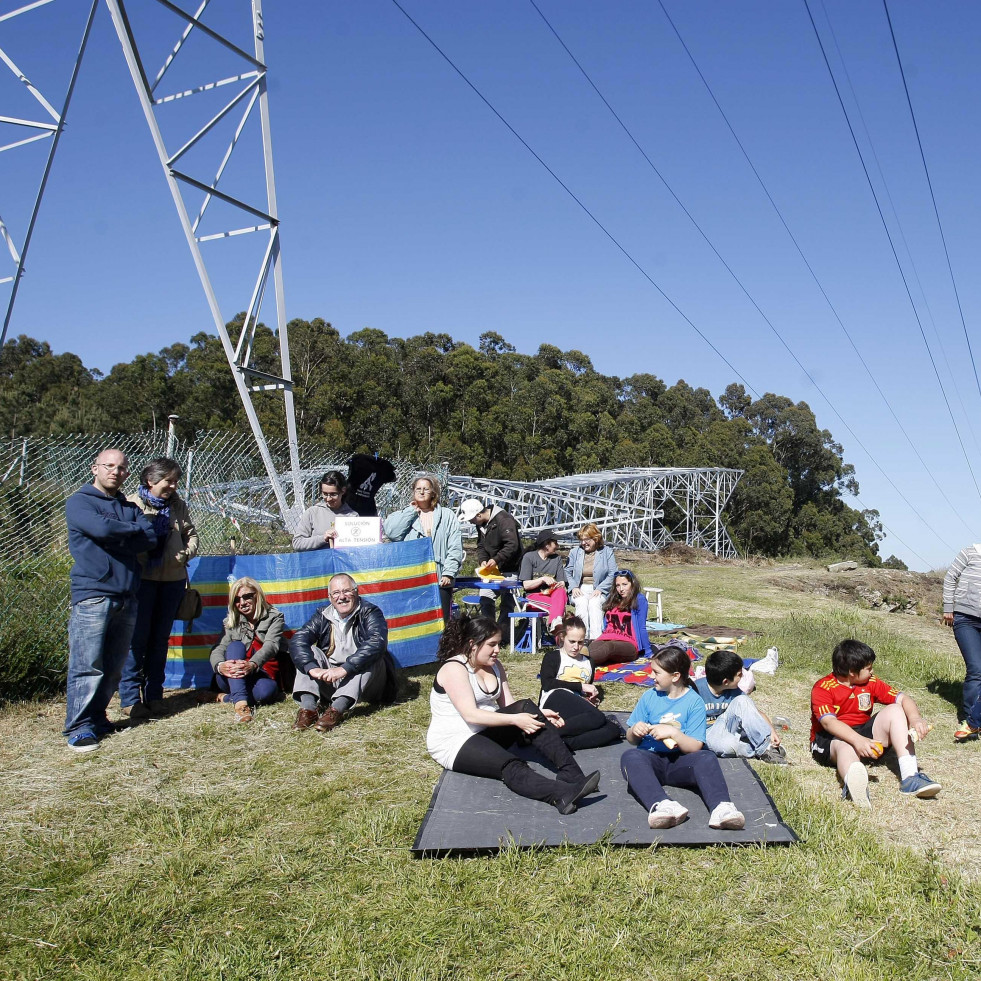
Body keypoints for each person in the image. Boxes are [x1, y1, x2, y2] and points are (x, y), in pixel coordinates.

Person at [426, 615, 601, 814]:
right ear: (473, 645)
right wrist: (514, 719)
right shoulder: (454, 669)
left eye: (499, 644)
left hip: (486, 729)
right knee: (510, 763)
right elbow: (471, 715)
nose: (497, 650)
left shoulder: (495, 666)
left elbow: (511, 705)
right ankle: (561, 794)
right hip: (455, 741)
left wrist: (539, 713)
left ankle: (573, 775)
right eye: (491, 645)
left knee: (527, 707)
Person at [63, 448, 157, 752]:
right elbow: (102, 528)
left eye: (122, 468)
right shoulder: (79, 502)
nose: (115, 472)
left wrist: (120, 533)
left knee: (114, 665)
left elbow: (149, 538)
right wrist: (129, 532)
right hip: (93, 594)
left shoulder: (129, 506)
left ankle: (98, 717)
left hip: (128, 594)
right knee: (87, 664)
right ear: (95, 468)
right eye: (109, 466)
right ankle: (79, 727)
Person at [621, 646, 746, 830]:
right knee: (630, 757)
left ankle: (722, 808)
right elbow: (631, 739)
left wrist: (673, 734)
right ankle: (662, 805)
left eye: (656, 672)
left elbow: (695, 746)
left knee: (707, 757)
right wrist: (634, 731)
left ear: (675, 676)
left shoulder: (694, 701)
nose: (651, 676)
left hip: (681, 761)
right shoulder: (649, 697)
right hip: (652, 759)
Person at [810, 639, 940, 807]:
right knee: (845, 745)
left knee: (896, 709)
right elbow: (829, 723)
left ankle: (910, 778)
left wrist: (915, 718)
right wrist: (857, 740)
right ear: (851, 672)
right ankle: (855, 785)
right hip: (831, 739)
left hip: (863, 734)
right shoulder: (823, 688)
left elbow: (904, 699)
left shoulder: (871, 683)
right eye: (868, 668)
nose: (872, 672)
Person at [118, 457, 198, 719]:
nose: (173, 486)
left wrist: (186, 553)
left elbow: (192, 534)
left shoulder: (178, 506)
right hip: (141, 582)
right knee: (136, 641)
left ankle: (154, 695)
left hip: (172, 582)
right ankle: (130, 698)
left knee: (159, 641)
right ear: (151, 481)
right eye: (169, 481)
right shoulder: (131, 504)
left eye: (176, 481)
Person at [290, 573, 399, 732]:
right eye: (336, 593)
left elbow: (377, 642)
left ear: (356, 592)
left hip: (366, 683)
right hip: (332, 680)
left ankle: (336, 710)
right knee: (308, 652)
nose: (342, 597)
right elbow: (298, 640)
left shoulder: (370, 612)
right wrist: (312, 668)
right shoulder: (322, 615)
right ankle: (308, 710)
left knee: (373, 657)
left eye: (347, 591)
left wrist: (343, 669)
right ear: (330, 597)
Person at [384, 473, 463, 623]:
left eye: (426, 489)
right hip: (411, 578)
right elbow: (392, 533)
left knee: (440, 621)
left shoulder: (447, 515)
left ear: (433, 492)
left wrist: (449, 572)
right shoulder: (402, 515)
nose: (421, 492)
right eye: (418, 489)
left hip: (440, 578)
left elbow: (455, 547)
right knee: (414, 621)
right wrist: (410, 512)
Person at [539, 616, 623, 749]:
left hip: (574, 706)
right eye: (571, 641)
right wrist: (580, 686)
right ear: (562, 638)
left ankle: (564, 743)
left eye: (580, 642)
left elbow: (584, 691)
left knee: (613, 729)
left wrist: (590, 699)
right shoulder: (553, 657)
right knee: (598, 718)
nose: (576, 647)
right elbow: (547, 684)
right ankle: (546, 735)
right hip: (555, 698)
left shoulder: (589, 662)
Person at [210, 578, 287, 723]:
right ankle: (241, 706)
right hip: (232, 675)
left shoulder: (274, 617)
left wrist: (252, 664)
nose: (242, 602)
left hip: (261, 672)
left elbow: (271, 645)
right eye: (237, 599)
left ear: (257, 595)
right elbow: (218, 648)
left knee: (266, 693)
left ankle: (226, 697)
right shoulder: (231, 622)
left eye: (247, 596)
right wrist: (220, 666)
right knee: (235, 646)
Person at [694, 650, 787, 765]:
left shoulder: (734, 691)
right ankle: (754, 748)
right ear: (726, 681)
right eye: (739, 675)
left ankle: (766, 747)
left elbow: (753, 712)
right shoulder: (695, 691)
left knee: (743, 700)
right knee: (728, 746)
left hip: (728, 724)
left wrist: (771, 732)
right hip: (706, 733)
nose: (743, 676)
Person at [459, 498, 523, 629]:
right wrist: (482, 560)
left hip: (510, 568)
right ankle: (489, 630)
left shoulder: (504, 520)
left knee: (507, 603)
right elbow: (481, 545)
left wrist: (496, 559)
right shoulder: (481, 524)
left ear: (479, 514)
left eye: (471, 519)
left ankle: (504, 634)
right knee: (485, 598)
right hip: (492, 571)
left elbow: (512, 545)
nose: (471, 522)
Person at [942, 545, 981, 740]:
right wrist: (948, 607)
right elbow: (950, 577)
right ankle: (969, 721)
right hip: (965, 619)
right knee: (976, 668)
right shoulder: (970, 552)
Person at [586, 569, 653, 667]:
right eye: (618, 585)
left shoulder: (639, 600)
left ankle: (581, 663)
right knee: (593, 645)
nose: (621, 589)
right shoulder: (613, 598)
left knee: (609, 647)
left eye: (625, 584)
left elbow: (642, 627)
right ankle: (574, 659)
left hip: (628, 643)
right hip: (607, 637)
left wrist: (648, 651)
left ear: (632, 584)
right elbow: (606, 624)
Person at [565, 524, 617, 640]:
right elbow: (567, 572)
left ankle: (596, 639)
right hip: (580, 587)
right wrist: (573, 587)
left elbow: (613, 573)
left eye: (587, 539)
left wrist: (600, 589)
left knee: (595, 603)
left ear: (596, 538)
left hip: (600, 588)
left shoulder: (607, 552)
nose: (584, 543)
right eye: (582, 540)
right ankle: (582, 637)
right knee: (581, 602)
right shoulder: (575, 552)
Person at [292, 470, 358, 550]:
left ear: (343, 491)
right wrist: (323, 538)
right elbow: (297, 543)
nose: (329, 499)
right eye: (325, 494)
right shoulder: (312, 513)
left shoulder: (353, 516)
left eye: (333, 494)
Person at [518, 529, 569, 632]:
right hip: (533, 597)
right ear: (547, 545)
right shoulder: (529, 557)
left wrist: (560, 584)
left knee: (561, 592)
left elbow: (562, 582)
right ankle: (555, 624)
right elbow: (526, 585)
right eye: (555, 543)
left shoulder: (557, 559)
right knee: (559, 606)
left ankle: (555, 623)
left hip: (552, 595)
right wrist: (542, 579)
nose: (558, 546)